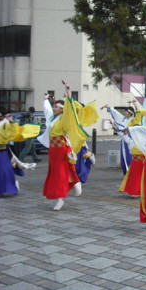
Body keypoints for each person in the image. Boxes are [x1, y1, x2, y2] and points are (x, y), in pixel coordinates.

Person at [37, 81, 89, 211]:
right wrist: (45, 99)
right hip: (53, 149)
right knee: (58, 172)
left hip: (61, 148)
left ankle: (60, 199)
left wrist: (68, 92)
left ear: (62, 109)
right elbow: (47, 109)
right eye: (54, 107)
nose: (54, 109)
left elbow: (70, 109)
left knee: (60, 173)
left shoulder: (64, 118)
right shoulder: (51, 118)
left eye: (57, 107)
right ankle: (76, 182)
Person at [0, 113, 40, 196]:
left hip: (1, 152)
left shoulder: (4, 124)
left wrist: (11, 122)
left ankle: (6, 188)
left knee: (4, 171)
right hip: (2, 151)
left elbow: (14, 132)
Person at [105, 101, 142, 176]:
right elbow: (121, 127)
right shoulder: (124, 120)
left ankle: (131, 174)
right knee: (123, 160)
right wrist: (114, 125)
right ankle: (127, 174)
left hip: (132, 141)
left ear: (130, 113)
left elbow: (139, 112)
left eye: (126, 112)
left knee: (129, 159)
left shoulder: (134, 120)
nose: (125, 113)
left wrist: (135, 104)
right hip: (124, 141)